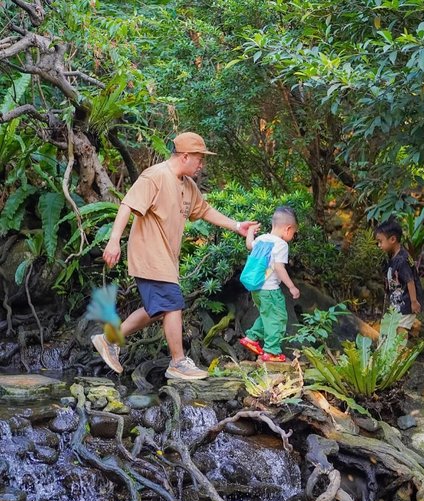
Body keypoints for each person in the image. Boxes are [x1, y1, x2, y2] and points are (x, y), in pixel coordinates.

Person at [91, 131, 256, 379]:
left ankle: (110, 339)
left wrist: (236, 225)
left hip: (166, 258)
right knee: (173, 303)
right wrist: (113, 241)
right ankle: (178, 362)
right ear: (185, 156)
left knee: (157, 309)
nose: (202, 164)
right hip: (149, 254)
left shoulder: (188, 186)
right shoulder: (155, 176)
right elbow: (127, 204)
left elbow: (205, 211)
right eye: (200, 159)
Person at [239, 206, 300, 362]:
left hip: (257, 290)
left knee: (266, 315)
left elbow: (249, 245)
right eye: (293, 233)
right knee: (278, 318)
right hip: (270, 290)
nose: (292, 236)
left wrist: (251, 231)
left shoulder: (262, 239)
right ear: (288, 229)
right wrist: (291, 287)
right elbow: (279, 268)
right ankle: (272, 351)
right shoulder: (281, 245)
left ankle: (252, 338)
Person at [375, 218, 424, 336]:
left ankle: (398, 353)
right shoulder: (393, 257)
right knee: (391, 330)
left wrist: (414, 302)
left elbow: (410, 280)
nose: (379, 245)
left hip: (406, 303)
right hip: (398, 304)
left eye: (380, 241)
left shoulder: (402, 259)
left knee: (400, 331)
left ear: (392, 239)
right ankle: (392, 352)